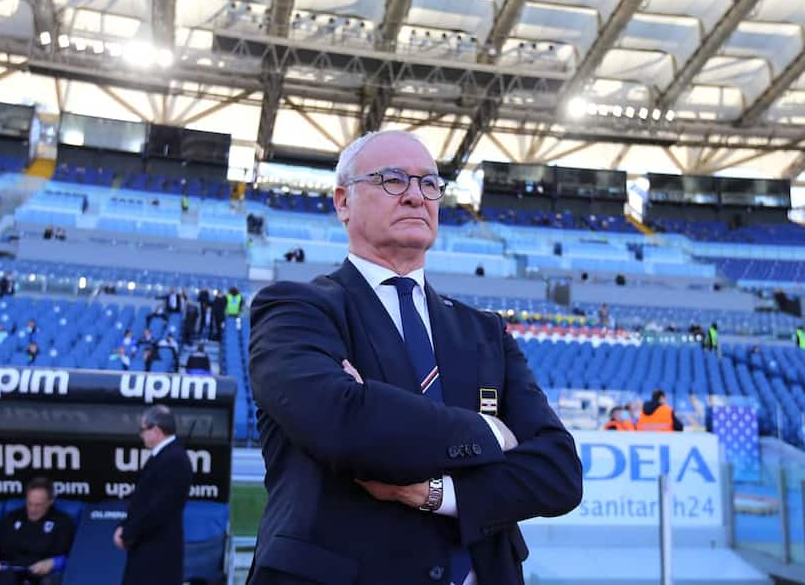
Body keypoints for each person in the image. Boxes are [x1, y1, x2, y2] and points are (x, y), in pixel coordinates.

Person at [247, 131, 582, 585]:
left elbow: (559, 472)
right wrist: (490, 432)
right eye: (392, 180)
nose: (414, 197)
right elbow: (345, 426)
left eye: (429, 184)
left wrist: (435, 492)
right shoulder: (296, 309)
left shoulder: (485, 331)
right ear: (343, 202)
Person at [114, 405, 193, 585]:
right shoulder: (165, 456)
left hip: (157, 553)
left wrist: (128, 533)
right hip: (149, 549)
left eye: (142, 429)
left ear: (156, 430)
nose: (141, 434)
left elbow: (158, 509)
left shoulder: (173, 459)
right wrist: (125, 526)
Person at [0, 477, 74, 585]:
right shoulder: (13, 517)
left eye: (38, 505)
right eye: (29, 503)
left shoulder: (62, 522)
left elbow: (68, 557)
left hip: (32, 575)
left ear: (51, 501)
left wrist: (53, 563)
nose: (32, 509)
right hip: (0, 569)